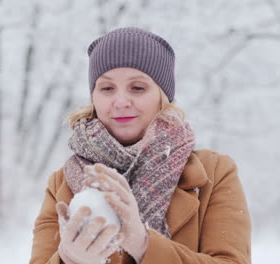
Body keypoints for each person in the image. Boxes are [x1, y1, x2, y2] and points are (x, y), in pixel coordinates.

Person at [29, 27, 251, 264]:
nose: (121, 101)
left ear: (162, 97)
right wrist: (67, 260)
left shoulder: (214, 174)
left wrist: (143, 243)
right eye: (107, 88)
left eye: (138, 88)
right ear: (94, 97)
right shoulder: (61, 183)